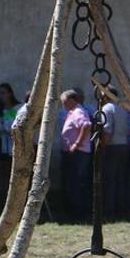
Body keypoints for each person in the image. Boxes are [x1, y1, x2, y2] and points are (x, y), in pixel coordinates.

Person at [59, 89, 92, 222]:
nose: (63, 105)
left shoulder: (79, 111)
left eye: (65, 102)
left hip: (78, 153)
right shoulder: (72, 112)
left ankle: (79, 213)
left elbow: (86, 125)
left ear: (73, 100)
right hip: (73, 153)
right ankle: (74, 210)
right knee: (72, 183)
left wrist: (76, 143)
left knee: (76, 183)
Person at [97, 86, 130, 219]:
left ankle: (110, 211)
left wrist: (102, 148)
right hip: (124, 145)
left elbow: (107, 131)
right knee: (121, 179)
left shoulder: (107, 109)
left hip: (112, 147)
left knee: (109, 180)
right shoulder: (122, 108)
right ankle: (122, 209)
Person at [0, 82, 21, 165]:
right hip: (3, 143)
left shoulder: (18, 108)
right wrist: (8, 129)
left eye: (3, 93)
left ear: (10, 93)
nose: (1, 96)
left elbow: (19, 123)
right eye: (0, 93)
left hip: (16, 142)